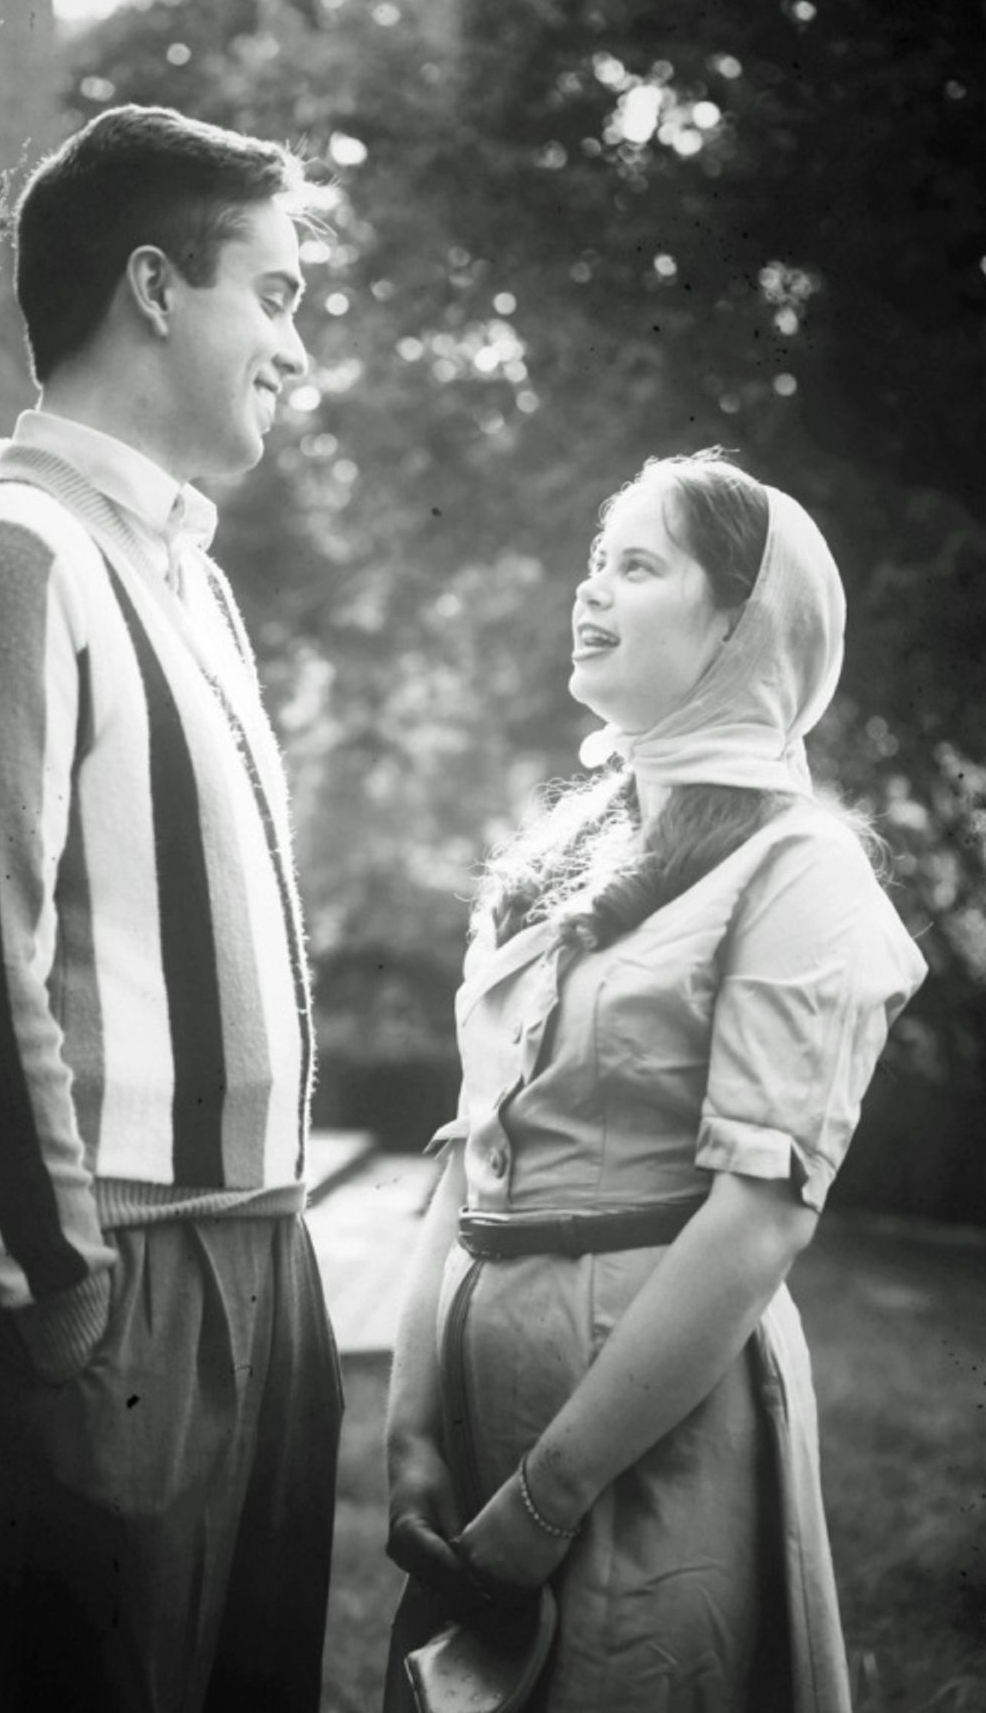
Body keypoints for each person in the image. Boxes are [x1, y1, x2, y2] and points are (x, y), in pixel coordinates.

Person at [0, 105, 342, 1713]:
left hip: (260, 1267)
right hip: (121, 1278)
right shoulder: (10, 550)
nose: (297, 352)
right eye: (275, 296)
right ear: (155, 287)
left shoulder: (190, 577)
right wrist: (62, 1284)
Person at [384, 450, 927, 1712]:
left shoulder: (803, 872)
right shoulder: (556, 864)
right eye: (593, 559)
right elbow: (473, 1150)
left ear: (741, 626)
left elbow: (759, 1223)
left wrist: (544, 1500)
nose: (591, 590)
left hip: (644, 1454)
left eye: (637, 565)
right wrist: (414, 1437)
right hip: (476, 1442)